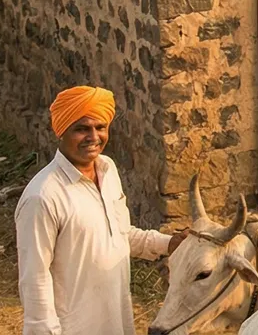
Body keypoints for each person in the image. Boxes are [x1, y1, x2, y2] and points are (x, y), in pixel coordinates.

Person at [17, 86, 184, 335]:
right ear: (61, 131)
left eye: (100, 127)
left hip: (117, 322)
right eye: (82, 129)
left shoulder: (107, 170)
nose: (93, 137)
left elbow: (119, 235)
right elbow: (34, 279)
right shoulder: (43, 196)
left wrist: (169, 243)